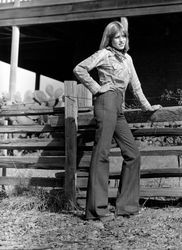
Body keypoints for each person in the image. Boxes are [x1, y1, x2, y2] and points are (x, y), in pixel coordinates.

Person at [73, 20, 161, 221]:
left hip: (118, 107)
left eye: (124, 36)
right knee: (102, 153)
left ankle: (126, 206)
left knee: (132, 153)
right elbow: (79, 69)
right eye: (117, 37)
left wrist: (147, 107)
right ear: (110, 39)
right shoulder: (104, 54)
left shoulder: (128, 59)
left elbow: (136, 86)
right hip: (105, 102)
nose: (121, 40)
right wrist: (97, 88)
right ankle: (97, 210)